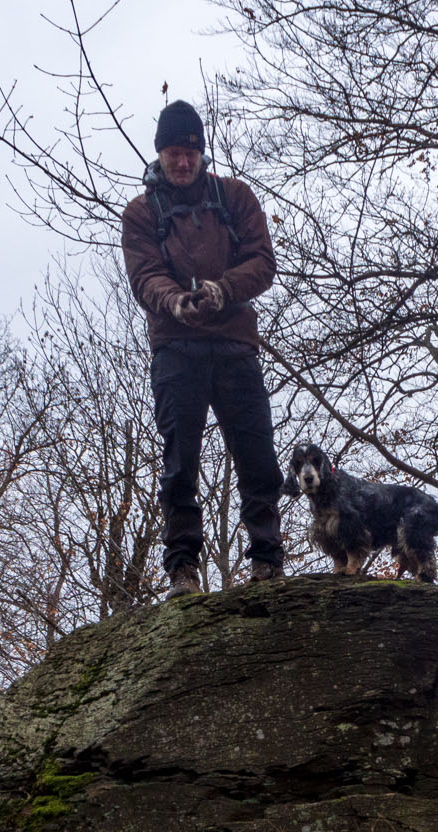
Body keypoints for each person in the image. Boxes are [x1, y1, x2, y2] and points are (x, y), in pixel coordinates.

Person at [122, 99, 284, 595]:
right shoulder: (142, 213)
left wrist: (222, 289)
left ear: (202, 153)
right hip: (176, 348)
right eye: (174, 153)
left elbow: (262, 261)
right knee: (179, 461)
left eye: (191, 152)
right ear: (160, 155)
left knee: (257, 455)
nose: (184, 162)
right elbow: (144, 275)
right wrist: (174, 303)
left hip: (235, 343)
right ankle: (183, 571)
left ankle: (267, 562)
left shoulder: (235, 197)